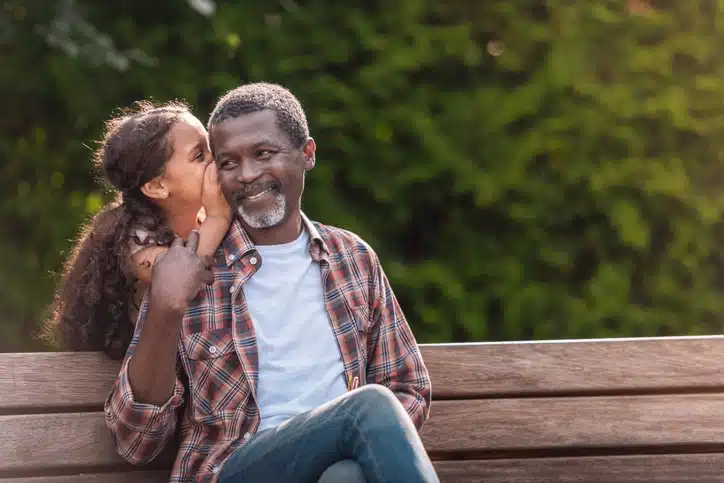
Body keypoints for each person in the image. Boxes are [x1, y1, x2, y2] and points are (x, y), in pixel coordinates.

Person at [104, 83, 439, 483]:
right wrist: (165, 309)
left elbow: (408, 385)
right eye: (227, 162)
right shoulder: (193, 270)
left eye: (263, 154)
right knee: (366, 409)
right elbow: (135, 441)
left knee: (345, 477)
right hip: (233, 469)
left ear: (307, 154)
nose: (247, 175)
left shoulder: (353, 259)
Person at [44, 100, 231, 360]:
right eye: (199, 155)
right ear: (157, 186)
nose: (216, 160)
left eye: (211, 147)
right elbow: (182, 278)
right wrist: (218, 218)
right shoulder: (135, 245)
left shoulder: (204, 218)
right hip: (149, 381)